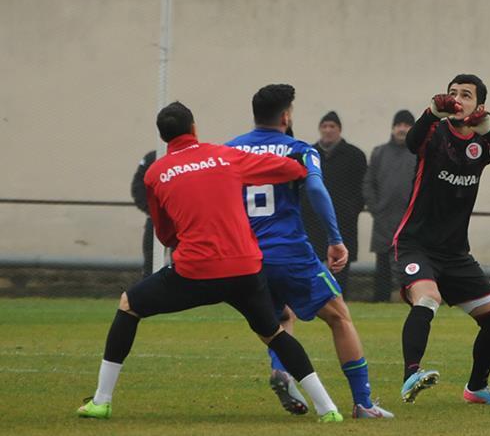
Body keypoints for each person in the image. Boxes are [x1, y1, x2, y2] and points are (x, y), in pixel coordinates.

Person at [77, 102, 343, 422]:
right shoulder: (223, 155)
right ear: (194, 128)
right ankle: (328, 408)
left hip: (196, 271)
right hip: (245, 268)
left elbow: (165, 233)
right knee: (273, 333)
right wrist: (301, 165)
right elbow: (289, 169)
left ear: (163, 137)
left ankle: (101, 401)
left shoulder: (155, 173)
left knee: (129, 305)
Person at [226, 85, 393, 419]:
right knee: (339, 316)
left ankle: (282, 371)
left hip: (246, 256)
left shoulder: (228, 151)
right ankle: (363, 403)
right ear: (286, 116)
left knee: (280, 318)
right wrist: (335, 238)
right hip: (289, 252)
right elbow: (316, 188)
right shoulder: (299, 149)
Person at [394, 74, 490, 406]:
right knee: (428, 298)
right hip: (416, 244)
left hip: (455, 253)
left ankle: (476, 388)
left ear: (479, 105)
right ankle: (411, 376)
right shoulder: (435, 133)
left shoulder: (482, 141)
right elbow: (412, 143)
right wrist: (430, 113)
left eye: (466, 95)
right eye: (453, 93)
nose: (458, 99)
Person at [302, 111, 367, 300]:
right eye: (324, 126)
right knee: (312, 262)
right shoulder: (309, 155)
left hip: (343, 221)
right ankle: (313, 300)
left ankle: (339, 299)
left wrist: (351, 209)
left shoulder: (354, 155)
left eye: (332, 126)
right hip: (313, 221)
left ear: (339, 129)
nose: (328, 130)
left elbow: (362, 187)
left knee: (340, 266)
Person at [363, 109, 417, 302]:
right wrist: (375, 208)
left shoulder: (419, 154)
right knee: (383, 264)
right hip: (383, 219)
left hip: (410, 219)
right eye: (398, 125)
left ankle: (412, 299)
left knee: (411, 262)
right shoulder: (379, 153)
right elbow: (368, 183)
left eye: (406, 125)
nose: (402, 129)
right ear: (393, 128)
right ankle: (381, 299)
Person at [130, 149, 157, 278]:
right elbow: (138, 187)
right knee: (151, 261)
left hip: (183, 220)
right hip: (156, 220)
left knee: (184, 263)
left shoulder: (191, 158)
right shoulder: (153, 158)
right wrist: (152, 210)